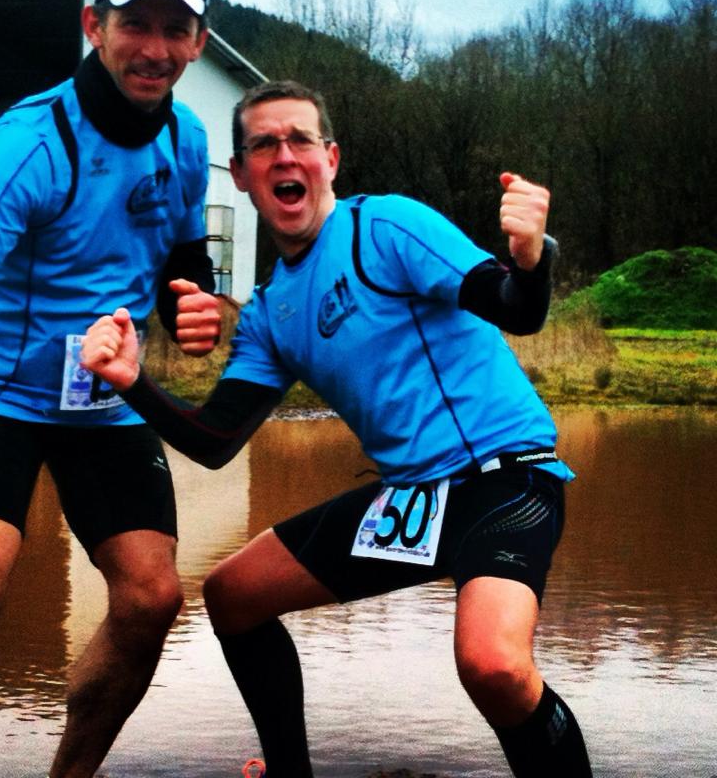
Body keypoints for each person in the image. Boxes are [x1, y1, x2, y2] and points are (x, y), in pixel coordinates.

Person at [81, 80, 593, 778]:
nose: (284, 154)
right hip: (411, 500)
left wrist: (534, 259)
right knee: (232, 595)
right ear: (242, 175)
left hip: (503, 480)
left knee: (493, 665)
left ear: (331, 159)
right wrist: (129, 382)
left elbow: (514, 306)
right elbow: (214, 440)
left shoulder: (385, 226)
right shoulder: (271, 310)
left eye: (300, 140)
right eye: (264, 144)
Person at [0, 0, 222, 778]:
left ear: (198, 42)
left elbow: (179, 258)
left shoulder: (188, 140)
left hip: (104, 401)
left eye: (175, 28)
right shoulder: (28, 141)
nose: (154, 48)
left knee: (154, 597)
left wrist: (193, 303)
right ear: (94, 26)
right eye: (134, 25)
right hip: (1, 390)